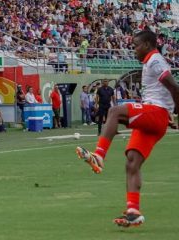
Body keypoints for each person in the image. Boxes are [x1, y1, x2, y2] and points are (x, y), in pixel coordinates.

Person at [76, 30, 179, 228]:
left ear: (148, 45)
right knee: (132, 162)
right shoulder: (151, 61)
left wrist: (173, 113)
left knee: (115, 112)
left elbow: (175, 87)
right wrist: (171, 113)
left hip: (156, 113)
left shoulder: (155, 60)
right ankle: (133, 211)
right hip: (157, 117)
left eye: (136, 45)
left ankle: (99, 155)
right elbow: (169, 91)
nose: (133, 49)